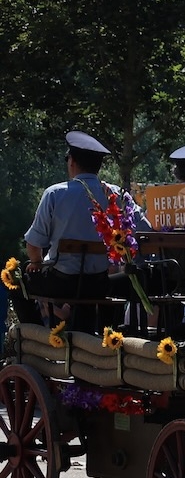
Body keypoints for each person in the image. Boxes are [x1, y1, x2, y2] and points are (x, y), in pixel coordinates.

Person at [22, 131, 150, 329]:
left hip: (61, 284)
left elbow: (33, 245)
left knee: (15, 280)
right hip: (99, 283)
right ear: (99, 166)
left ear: (72, 161)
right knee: (124, 280)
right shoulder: (116, 194)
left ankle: (34, 334)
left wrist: (36, 262)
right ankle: (98, 334)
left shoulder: (54, 193)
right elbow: (145, 231)